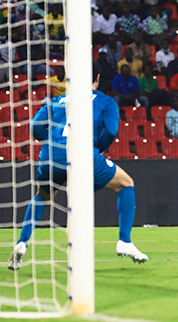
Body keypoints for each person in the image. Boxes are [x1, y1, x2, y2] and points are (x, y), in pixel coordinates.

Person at [8, 78, 148, 270]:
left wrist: (51, 142)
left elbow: (35, 127)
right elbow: (111, 131)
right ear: (98, 78)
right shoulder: (105, 101)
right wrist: (96, 149)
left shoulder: (57, 100)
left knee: (43, 195)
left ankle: (22, 243)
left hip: (51, 154)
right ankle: (124, 240)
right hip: (81, 154)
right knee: (125, 183)